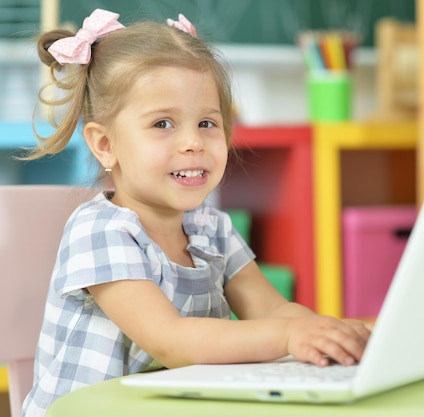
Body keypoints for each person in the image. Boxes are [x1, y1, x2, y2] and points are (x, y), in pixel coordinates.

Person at [21, 9, 371, 417]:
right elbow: (172, 341)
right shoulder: (99, 231)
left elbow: (272, 309)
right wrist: (288, 335)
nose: (193, 142)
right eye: (163, 123)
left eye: (207, 122)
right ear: (105, 145)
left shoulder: (211, 226)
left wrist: (325, 333)